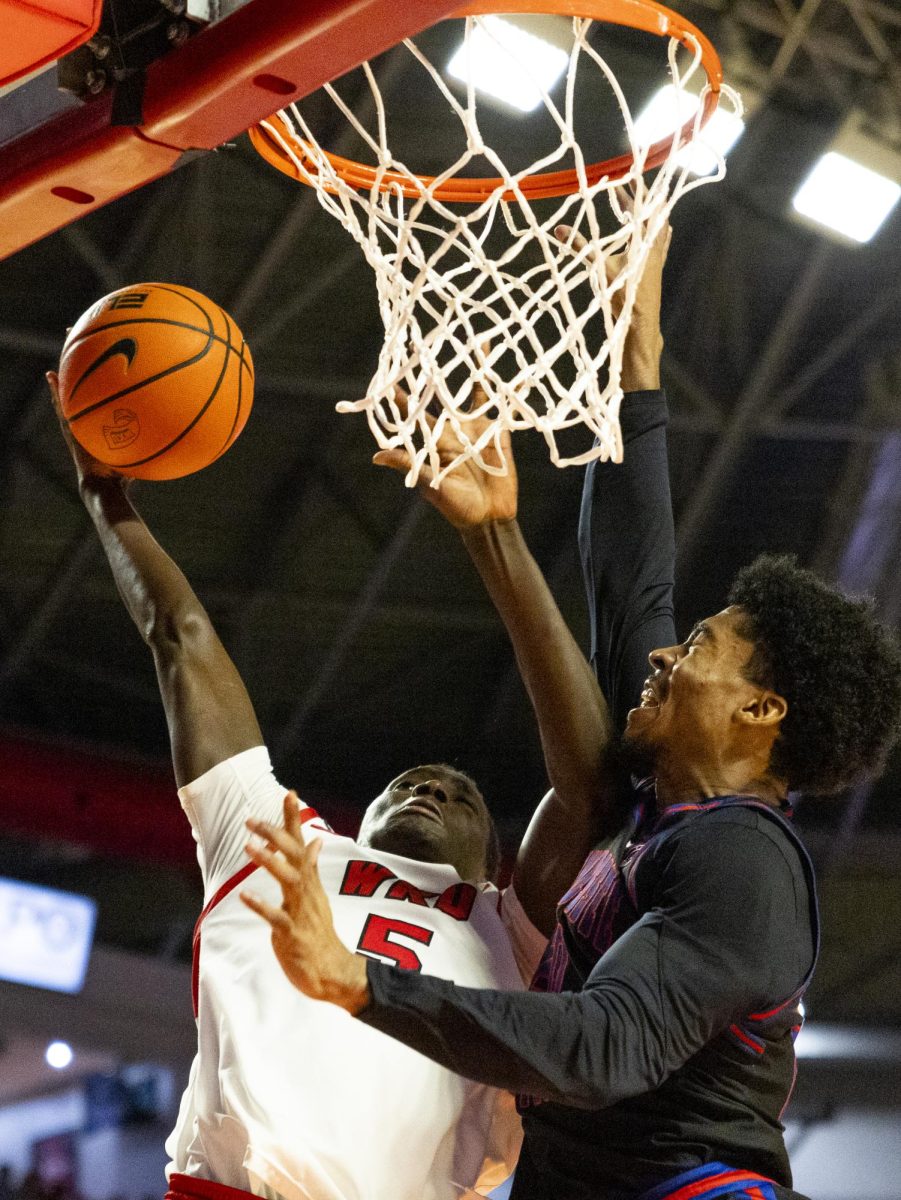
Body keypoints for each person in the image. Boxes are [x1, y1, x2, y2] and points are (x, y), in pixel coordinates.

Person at [241, 249, 901, 1198]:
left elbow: (600, 1048)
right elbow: (632, 582)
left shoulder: (743, 863)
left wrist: (355, 981)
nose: (669, 654)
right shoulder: (660, 802)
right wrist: (633, 360)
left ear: (760, 711)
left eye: (702, 645)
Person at [46, 230, 669, 1200]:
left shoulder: (515, 927)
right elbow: (184, 640)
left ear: (498, 854)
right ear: (359, 818)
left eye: (457, 792)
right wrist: (105, 499)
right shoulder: (282, 843)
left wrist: (498, 539)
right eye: (411, 782)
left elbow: (589, 789)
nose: (428, 783)